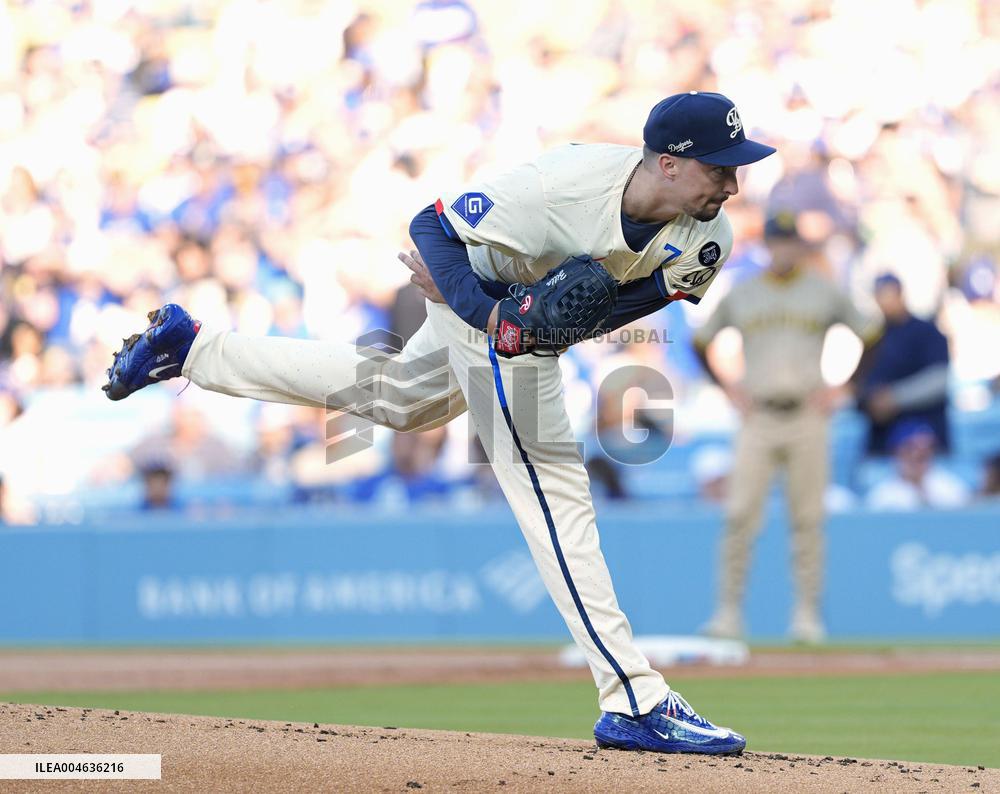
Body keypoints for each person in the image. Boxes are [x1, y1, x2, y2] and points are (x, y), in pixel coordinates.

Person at [103, 92, 775, 756]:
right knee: (554, 490)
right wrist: (487, 314)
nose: (733, 183)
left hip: (521, 322)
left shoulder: (708, 236)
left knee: (399, 399)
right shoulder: (561, 185)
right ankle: (634, 698)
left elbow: (623, 304)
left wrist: (541, 325)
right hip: (480, 288)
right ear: (666, 164)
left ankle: (191, 349)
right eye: (719, 168)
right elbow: (433, 226)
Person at [694, 211, 882, 644]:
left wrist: (846, 389)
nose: (783, 250)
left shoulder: (822, 290)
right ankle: (727, 614)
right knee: (740, 515)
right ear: (768, 247)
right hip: (758, 414)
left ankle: (807, 615)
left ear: (799, 246)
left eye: (789, 242)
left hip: (807, 414)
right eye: (776, 242)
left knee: (808, 520)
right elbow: (701, 342)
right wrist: (728, 389)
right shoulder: (745, 293)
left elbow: (871, 334)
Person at [857, 273, 951, 455]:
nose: (884, 301)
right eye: (880, 296)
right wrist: (870, 401)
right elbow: (860, 382)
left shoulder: (926, 331)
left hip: (923, 434)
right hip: (883, 440)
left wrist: (895, 398)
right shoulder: (875, 336)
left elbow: (939, 380)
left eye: (888, 294)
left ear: (900, 294)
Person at [865, 420, 971, 510]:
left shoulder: (951, 487)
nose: (918, 454)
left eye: (926, 448)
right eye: (910, 447)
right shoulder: (882, 496)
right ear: (896, 451)